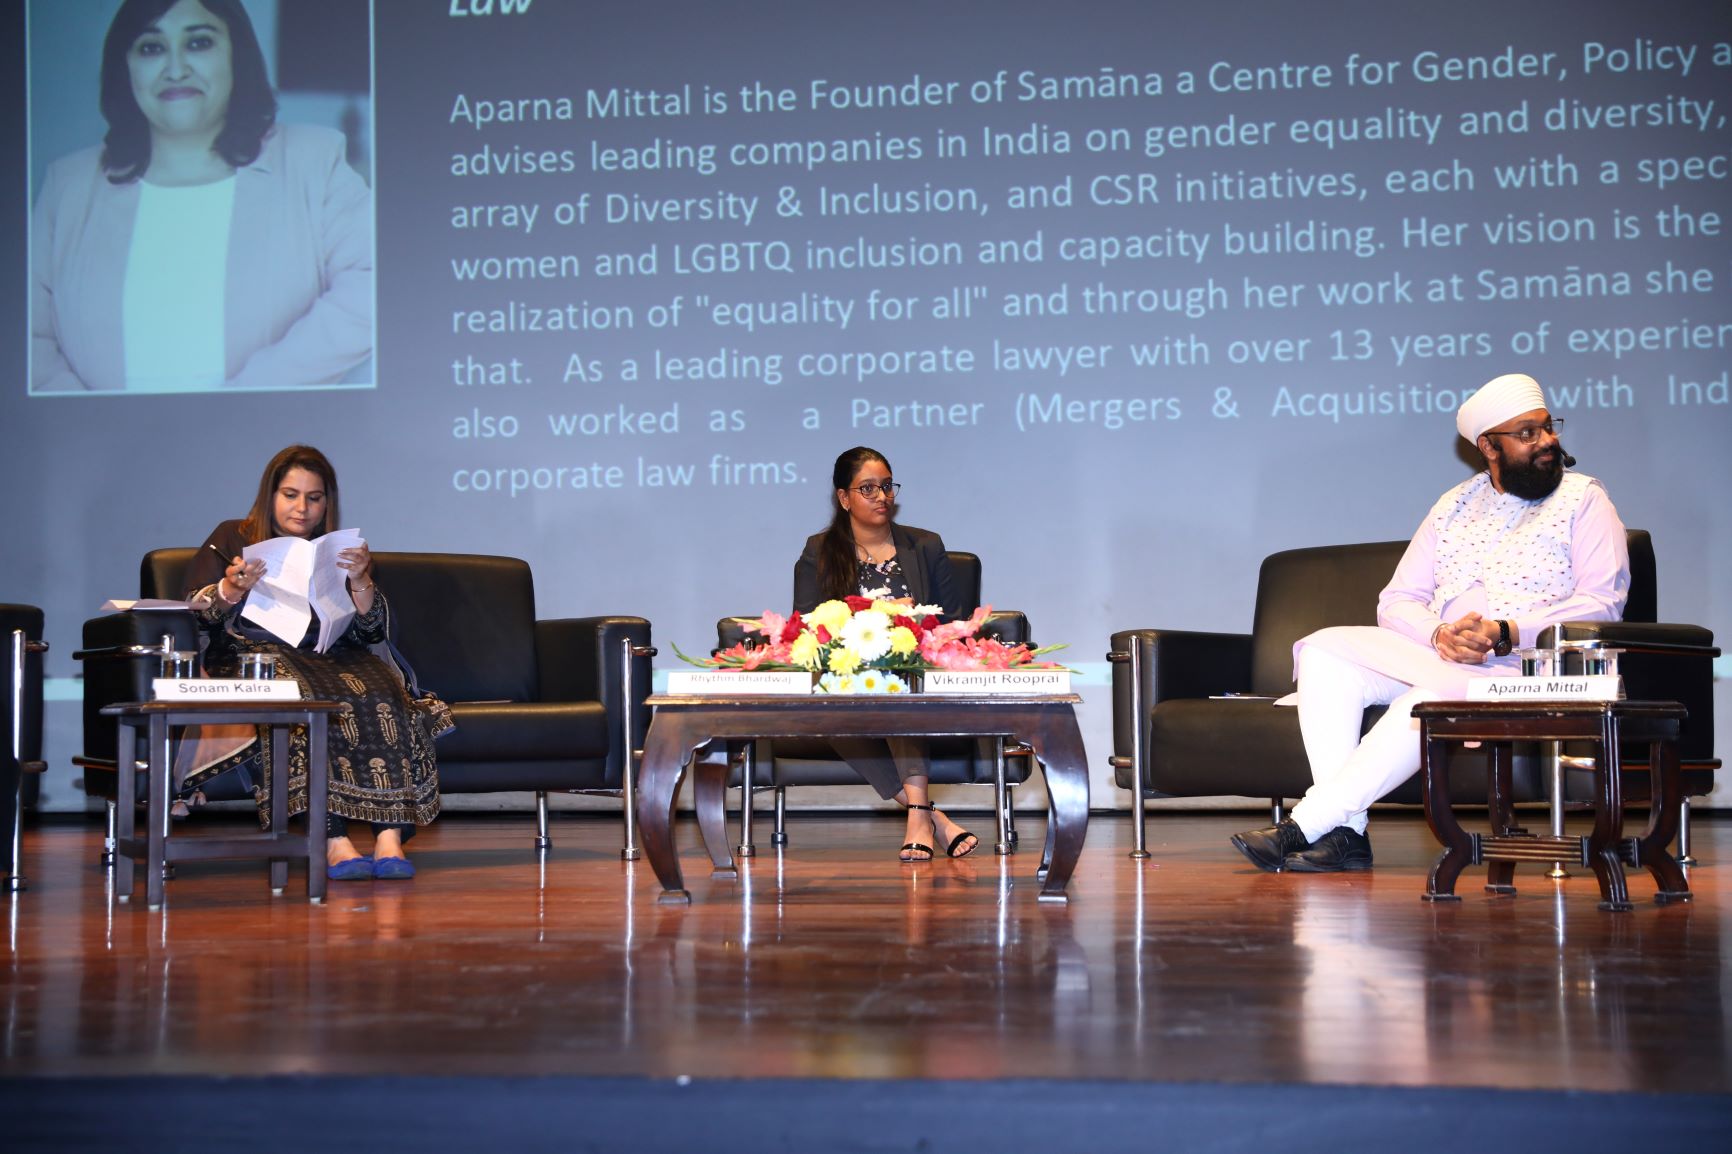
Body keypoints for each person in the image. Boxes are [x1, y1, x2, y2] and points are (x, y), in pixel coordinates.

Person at [1230, 373, 1630, 873]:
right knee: (1324, 651)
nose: (1547, 441)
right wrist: (1438, 634)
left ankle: (1306, 825)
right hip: (1441, 657)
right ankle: (1347, 832)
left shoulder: (1585, 500)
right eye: (1528, 434)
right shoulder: (1454, 506)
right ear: (1489, 447)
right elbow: (1397, 600)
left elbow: (1602, 603)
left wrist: (1504, 631)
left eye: (1549, 428)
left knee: (1426, 701)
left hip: (1525, 668)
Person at [30, 0, 373, 393]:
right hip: (99, 434)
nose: (176, 69)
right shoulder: (68, 185)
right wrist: (91, 421)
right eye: (151, 48)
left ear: (236, 56)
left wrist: (248, 401)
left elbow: (371, 287)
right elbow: (27, 339)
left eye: (198, 43)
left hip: (271, 427)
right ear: (125, 67)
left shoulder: (313, 162)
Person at [182, 445, 439, 880]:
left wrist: (360, 580)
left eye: (314, 498)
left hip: (329, 655)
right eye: (290, 495)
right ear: (270, 495)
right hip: (255, 656)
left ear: (326, 503)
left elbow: (371, 631)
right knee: (299, 697)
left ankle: (389, 838)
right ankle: (333, 840)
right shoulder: (231, 536)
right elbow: (193, 612)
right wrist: (230, 589)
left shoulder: (338, 549)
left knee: (381, 688)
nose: (302, 508)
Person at [792, 446, 978, 862]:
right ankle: (930, 817)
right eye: (868, 488)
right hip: (848, 683)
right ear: (844, 498)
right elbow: (806, 623)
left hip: (917, 680)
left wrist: (912, 625)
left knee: (898, 686)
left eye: (888, 486)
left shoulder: (925, 545)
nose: (882, 496)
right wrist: (878, 614)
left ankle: (918, 819)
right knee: (832, 712)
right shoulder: (819, 550)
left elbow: (954, 621)